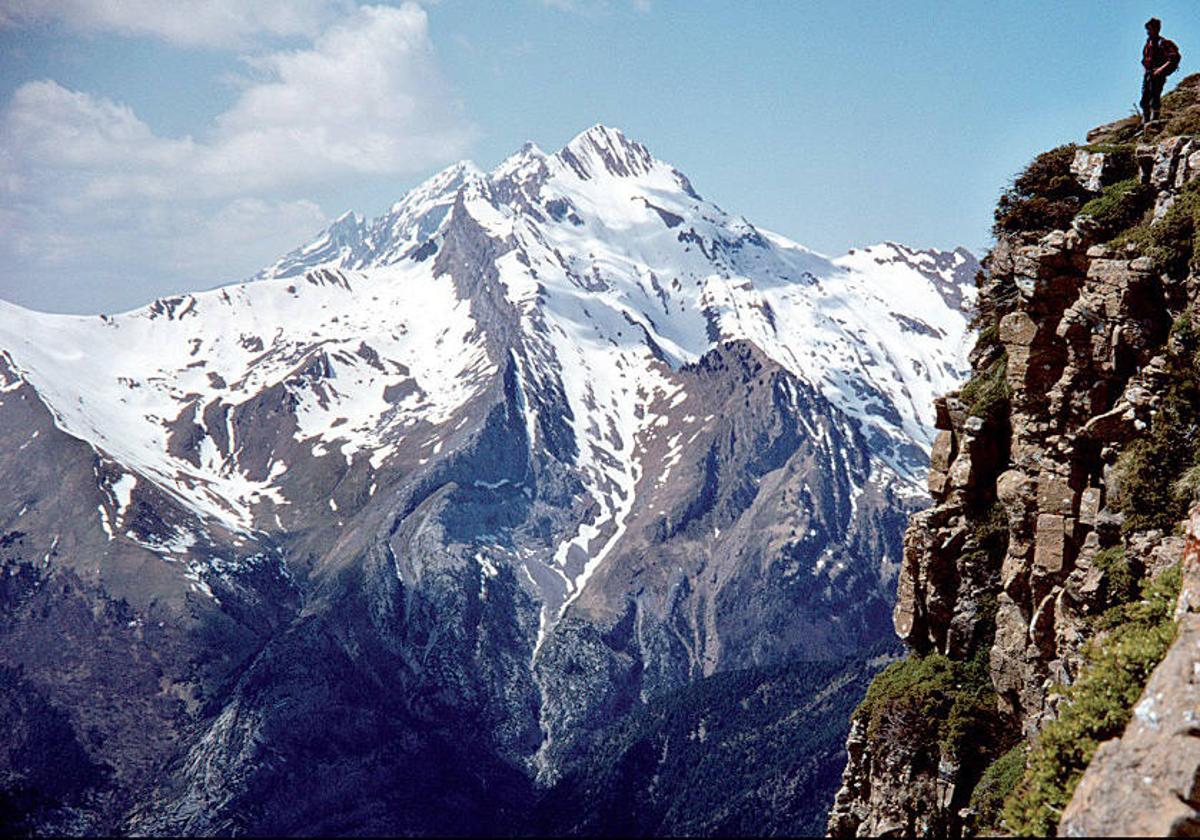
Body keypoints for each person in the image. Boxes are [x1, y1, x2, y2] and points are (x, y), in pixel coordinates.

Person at [1141, 17, 1181, 125]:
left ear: (1156, 29)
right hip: (1149, 74)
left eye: (1150, 29)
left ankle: (1154, 121)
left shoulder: (1163, 43)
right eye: (1147, 29)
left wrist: (1160, 70)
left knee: (1155, 96)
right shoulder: (1148, 44)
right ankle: (1146, 122)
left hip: (1157, 74)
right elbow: (1145, 60)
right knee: (1145, 99)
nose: (1148, 32)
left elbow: (1174, 58)